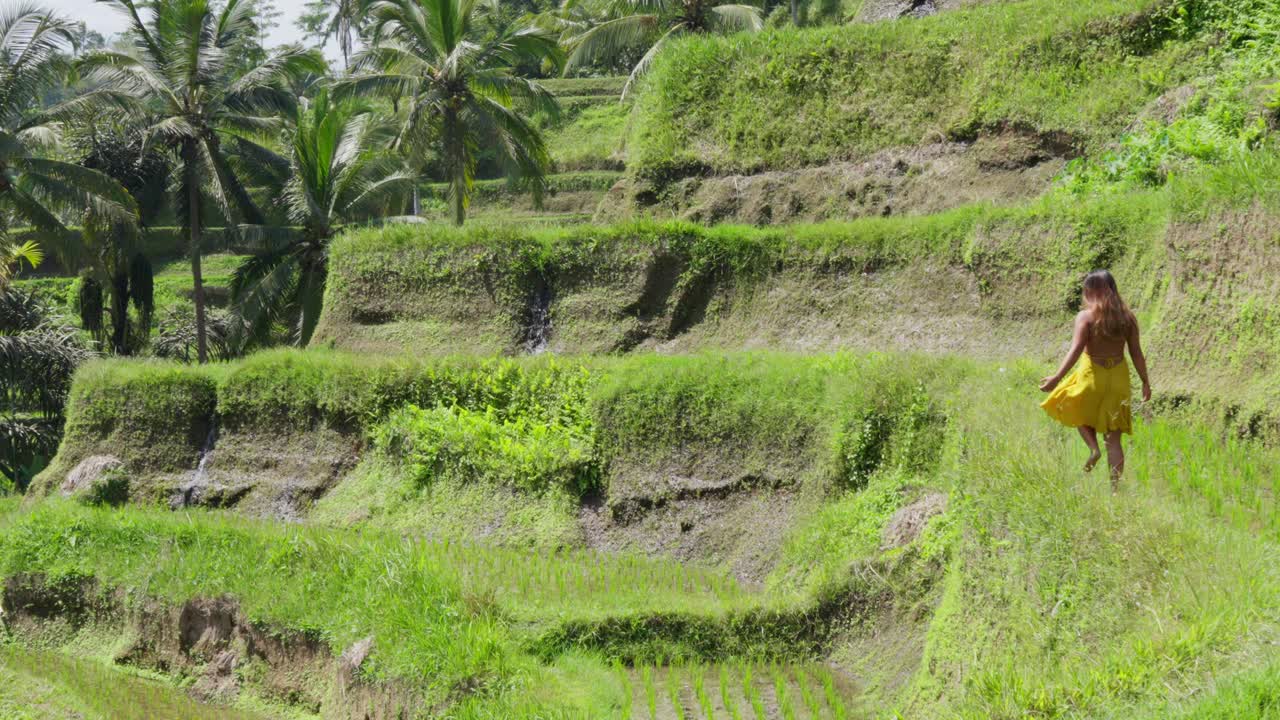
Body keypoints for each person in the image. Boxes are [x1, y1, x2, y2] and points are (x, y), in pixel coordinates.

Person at [1039, 270, 1151, 491]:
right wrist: (1146, 382)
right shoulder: (1128, 318)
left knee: (1071, 403)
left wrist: (1057, 377)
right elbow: (1136, 352)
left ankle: (1093, 449)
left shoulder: (1086, 317)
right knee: (1114, 440)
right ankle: (1115, 490)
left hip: (1092, 375)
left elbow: (1077, 348)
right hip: (1118, 377)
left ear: (1090, 292)